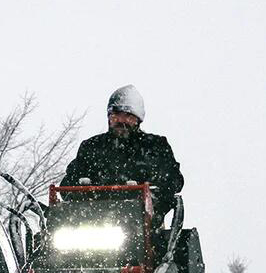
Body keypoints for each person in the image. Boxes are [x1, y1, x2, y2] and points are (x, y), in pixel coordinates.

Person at [60, 84, 184, 218]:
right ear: (109, 117)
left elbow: (172, 180)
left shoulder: (155, 146)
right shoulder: (91, 147)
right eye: (116, 116)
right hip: (91, 221)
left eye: (128, 117)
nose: (121, 121)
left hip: (141, 222)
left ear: (138, 120)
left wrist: (155, 196)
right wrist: (78, 191)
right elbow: (68, 184)